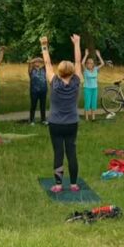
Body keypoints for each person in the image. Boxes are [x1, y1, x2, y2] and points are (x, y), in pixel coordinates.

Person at [41, 33, 83, 192]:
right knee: (71, 152)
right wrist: (77, 43)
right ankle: (73, 184)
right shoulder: (76, 82)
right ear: (72, 71)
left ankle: (58, 185)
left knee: (58, 153)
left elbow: (46, 62)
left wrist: (44, 45)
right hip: (71, 123)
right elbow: (78, 61)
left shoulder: (54, 82)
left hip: (55, 123)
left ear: (59, 71)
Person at [81, 48, 105, 122]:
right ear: (87, 64)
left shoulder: (95, 69)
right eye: (88, 63)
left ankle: (93, 117)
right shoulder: (85, 70)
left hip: (95, 88)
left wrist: (98, 55)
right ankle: (87, 118)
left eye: (91, 63)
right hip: (87, 88)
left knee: (93, 103)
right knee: (87, 103)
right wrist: (86, 55)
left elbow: (103, 63)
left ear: (93, 64)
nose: (90, 64)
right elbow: (82, 63)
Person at [28, 57, 48, 125]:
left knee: (43, 105)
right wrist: (34, 60)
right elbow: (30, 62)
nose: (38, 63)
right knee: (33, 105)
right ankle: (31, 120)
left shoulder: (43, 69)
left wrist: (40, 59)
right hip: (34, 90)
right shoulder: (31, 70)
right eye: (36, 62)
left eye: (39, 62)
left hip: (43, 90)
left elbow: (46, 62)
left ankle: (43, 120)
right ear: (33, 63)